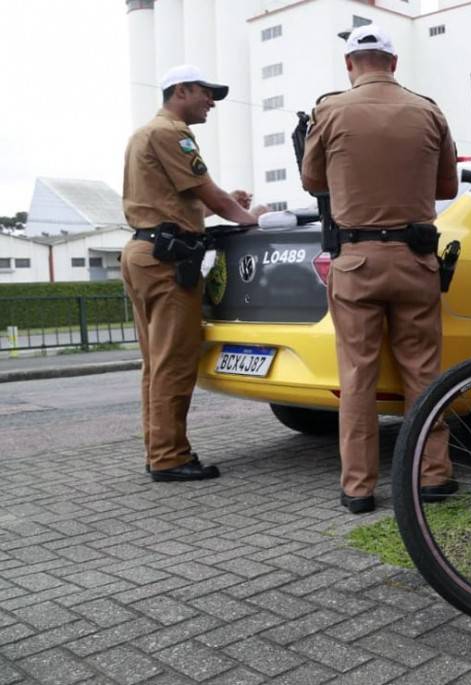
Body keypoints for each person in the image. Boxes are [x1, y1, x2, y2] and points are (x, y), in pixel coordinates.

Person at [302, 25, 458, 514]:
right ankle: (433, 475)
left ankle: (358, 487)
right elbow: (449, 187)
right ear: (392, 63)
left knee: (357, 377)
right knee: (424, 372)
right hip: (415, 260)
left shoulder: (329, 110)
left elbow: (312, 181)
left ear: (350, 65)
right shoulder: (428, 110)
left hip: (357, 260)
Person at [122, 64, 266, 482]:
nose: (212, 103)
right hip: (167, 261)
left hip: (144, 251)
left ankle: (159, 450)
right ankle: (170, 457)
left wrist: (219, 203)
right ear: (181, 90)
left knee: (155, 362)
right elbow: (213, 198)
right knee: (175, 362)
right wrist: (252, 217)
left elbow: (173, 203)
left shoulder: (144, 134)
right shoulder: (173, 134)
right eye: (206, 94)